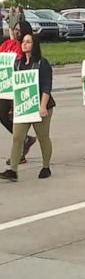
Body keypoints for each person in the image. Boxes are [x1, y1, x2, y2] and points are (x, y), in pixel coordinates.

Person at [0, 34, 55, 181]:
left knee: (43, 137)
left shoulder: (42, 63)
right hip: (24, 106)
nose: (24, 44)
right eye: (23, 42)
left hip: (41, 106)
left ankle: (46, 167)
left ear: (34, 45)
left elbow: (46, 86)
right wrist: (13, 106)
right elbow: (15, 88)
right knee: (18, 137)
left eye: (28, 42)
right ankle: (13, 170)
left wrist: (42, 106)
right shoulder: (17, 64)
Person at [0, 21, 36, 165]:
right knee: (3, 116)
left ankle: (19, 152)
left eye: (19, 31)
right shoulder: (7, 44)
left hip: (18, 88)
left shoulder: (26, 46)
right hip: (4, 86)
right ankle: (25, 140)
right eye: (15, 30)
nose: (16, 33)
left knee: (16, 120)